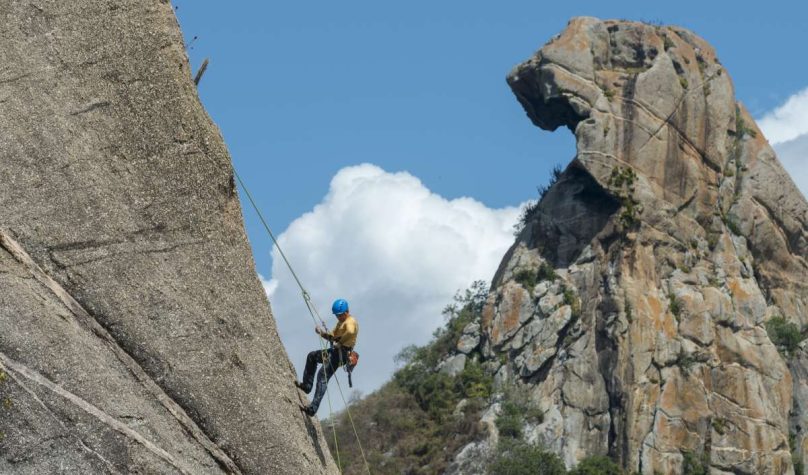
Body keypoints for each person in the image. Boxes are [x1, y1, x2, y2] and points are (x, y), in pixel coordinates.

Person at [296, 298, 359, 416]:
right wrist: (321, 332)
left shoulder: (350, 321)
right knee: (312, 356)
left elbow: (350, 332)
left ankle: (312, 409)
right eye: (337, 315)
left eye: (340, 315)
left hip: (341, 354)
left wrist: (340, 343)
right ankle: (307, 385)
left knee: (322, 376)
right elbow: (332, 336)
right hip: (334, 352)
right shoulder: (341, 322)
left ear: (347, 311)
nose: (338, 317)